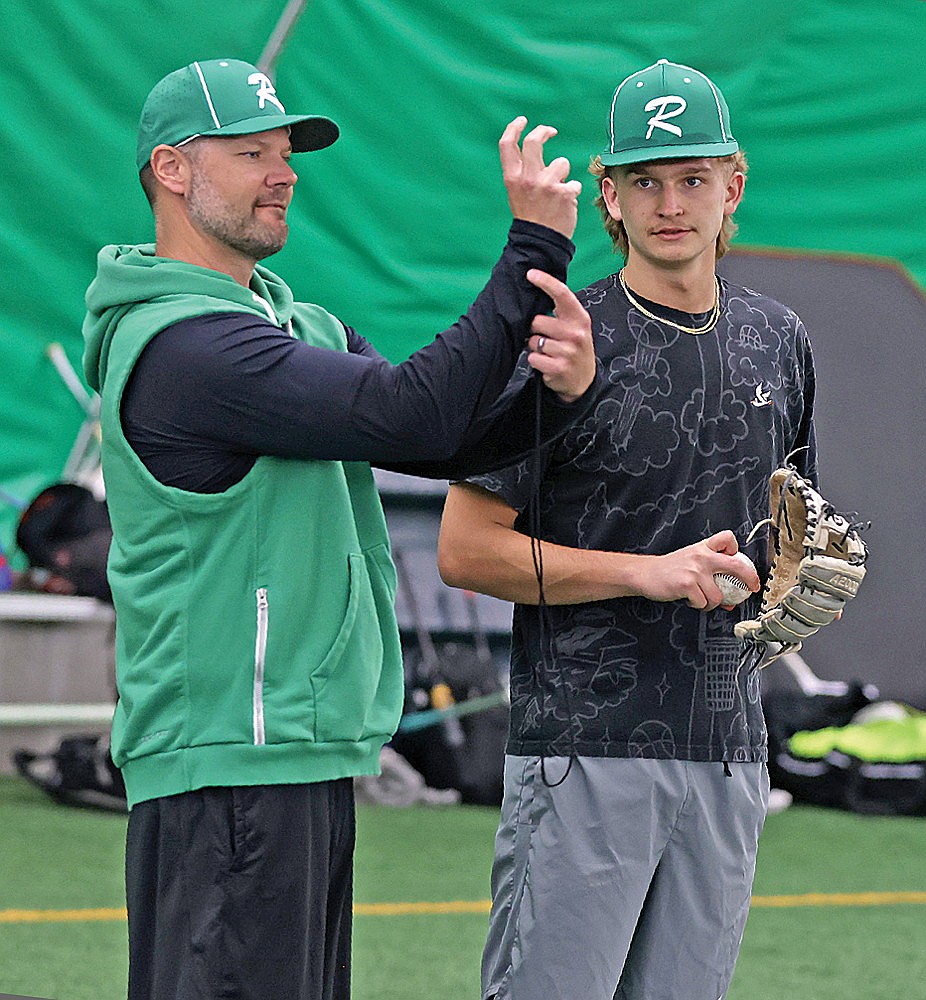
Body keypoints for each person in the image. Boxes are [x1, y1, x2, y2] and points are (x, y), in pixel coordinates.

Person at [81, 58, 599, 1000]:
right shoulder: (186, 345)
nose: (283, 173)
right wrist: (533, 250)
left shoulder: (293, 325)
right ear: (169, 169)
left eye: (287, 154)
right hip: (225, 761)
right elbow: (415, 416)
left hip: (292, 752)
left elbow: (443, 441)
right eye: (251, 154)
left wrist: (559, 396)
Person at [438, 58, 817, 1000]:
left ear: (735, 181)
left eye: (693, 177)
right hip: (585, 746)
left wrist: (801, 593)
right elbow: (464, 548)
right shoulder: (561, 336)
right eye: (645, 180)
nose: (671, 202)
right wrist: (646, 573)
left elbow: (790, 537)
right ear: (607, 194)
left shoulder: (781, 340)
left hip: (731, 750)